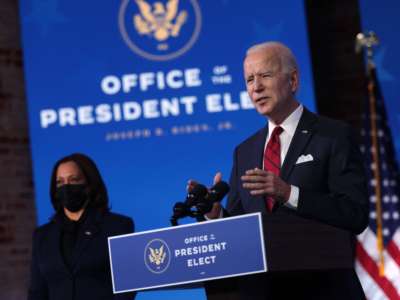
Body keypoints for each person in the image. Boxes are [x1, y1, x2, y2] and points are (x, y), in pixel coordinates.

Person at [189, 42, 369, 300]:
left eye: (265, 75)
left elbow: (355, 214)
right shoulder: (245, 151)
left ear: (293, 80)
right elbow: (240, 228)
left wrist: (289, 193)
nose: (256, 87)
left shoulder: (333, 136)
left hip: (324, 290)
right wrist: (216, 215)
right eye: (249, 79)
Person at [28, 153, 135, 300]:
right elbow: (37, 293)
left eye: (73, 180)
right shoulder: (42, 236)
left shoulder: (117, 226)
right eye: (60, 182)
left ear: (90, 184)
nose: (66, 186)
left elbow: (126, 290)